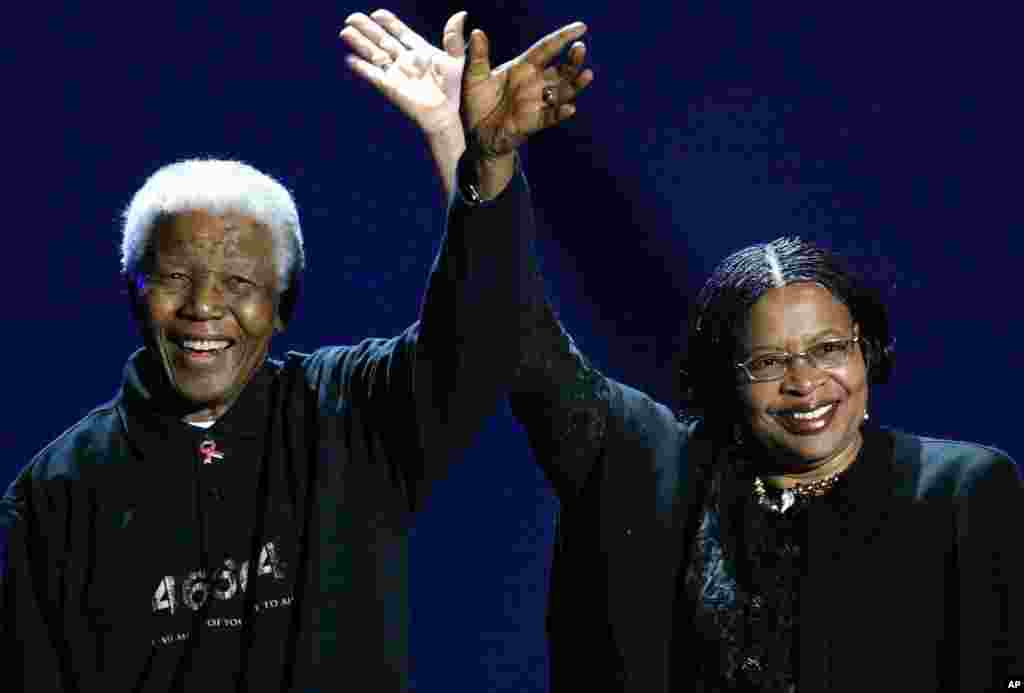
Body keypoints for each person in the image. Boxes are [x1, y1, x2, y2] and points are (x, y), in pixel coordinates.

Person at [344, 10, 1023, 692]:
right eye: (768, 362)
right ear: (725, 375)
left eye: (827, 349)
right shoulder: (651, 464)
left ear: (867, 349)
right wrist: (479, 156)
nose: (805, 382)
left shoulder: (961, 491)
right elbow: (519, 337)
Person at [0, 14, 591, 692]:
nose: (203, 307)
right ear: (134, 294)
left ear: (282, 304)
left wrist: (472, 152)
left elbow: (482, 332)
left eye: (241, 284)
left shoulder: (350, 413)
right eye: (173, 278)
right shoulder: (53, 499)